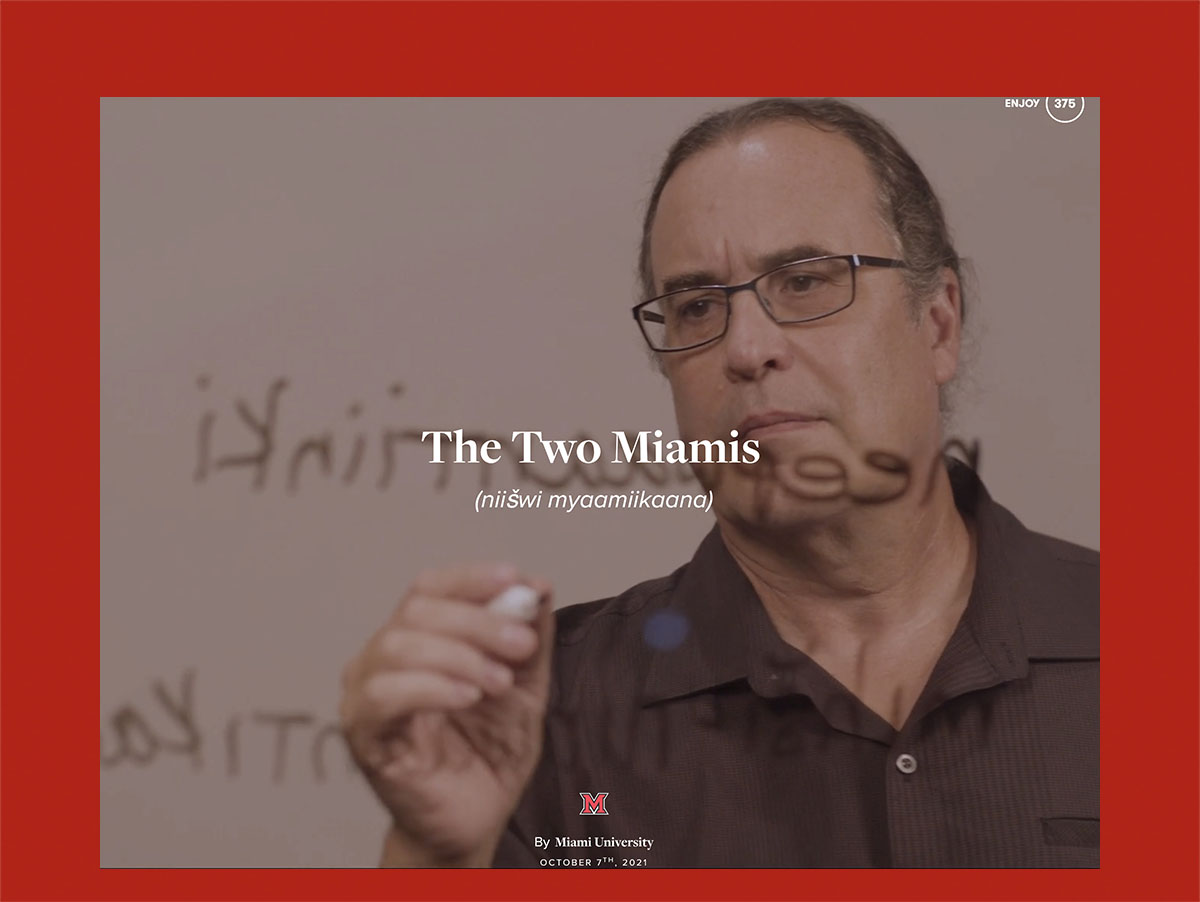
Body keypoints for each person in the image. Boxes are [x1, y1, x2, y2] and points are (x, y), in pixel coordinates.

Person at [338, 99, 1099, 868]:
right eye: (698, 305)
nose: (747, 347)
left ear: (938, 324)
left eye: (804, 281)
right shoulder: (542, 720)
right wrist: (435, 854)